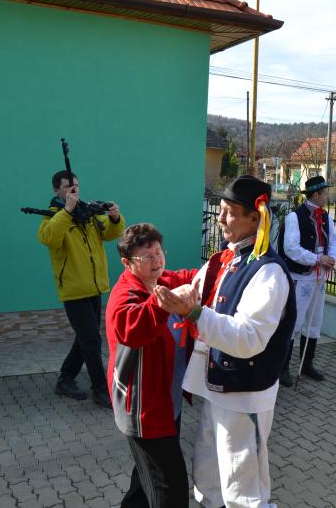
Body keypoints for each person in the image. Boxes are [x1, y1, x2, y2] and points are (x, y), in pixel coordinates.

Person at [181, 175, 295, 508]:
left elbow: (248, 339)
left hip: (245, 393)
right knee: (208, 471)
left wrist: (194, 313)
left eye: (229, 212)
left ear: (255, 219)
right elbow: (194, 291)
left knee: (242, 488)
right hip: (218, 385)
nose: (220, 219)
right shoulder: (228, 259)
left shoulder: (268, 272)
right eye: (220, 210)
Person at [105, 223, 197, 507]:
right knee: (170, 490)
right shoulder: (125, 295)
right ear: (127, 263)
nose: (157, 260)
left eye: (158, 252)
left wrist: (221, 267)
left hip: (167, 402)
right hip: (144, 410)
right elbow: (131, 329)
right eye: (147, 256)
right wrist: (163, 304)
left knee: (145, 482)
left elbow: (189, 276)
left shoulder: (160, 280)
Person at [38, 169, 124, 408]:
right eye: (68, 186)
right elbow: (49, 237)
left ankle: (65, 379)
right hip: (74, 290)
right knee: (92, 340)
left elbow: (110, 232)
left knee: (86, 338)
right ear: (56, 190)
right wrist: (66, 211)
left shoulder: (87, 213)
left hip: (94, 287)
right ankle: (100, 389)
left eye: (76, 185)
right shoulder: (53, 217)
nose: (73, 190)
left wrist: (115, 217)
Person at [277, 176, 336, 386]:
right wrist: (317, 259)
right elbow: (291, 248)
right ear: (315, 194)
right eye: (325, 193)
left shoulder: (326, 217)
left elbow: (334, 242)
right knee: (294, 321)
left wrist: (331, 258)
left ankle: (307, 364)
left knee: (315, 321)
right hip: (300, 276)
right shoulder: (294, 217)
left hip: (319, 276)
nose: (327, 196)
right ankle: (283, 367)